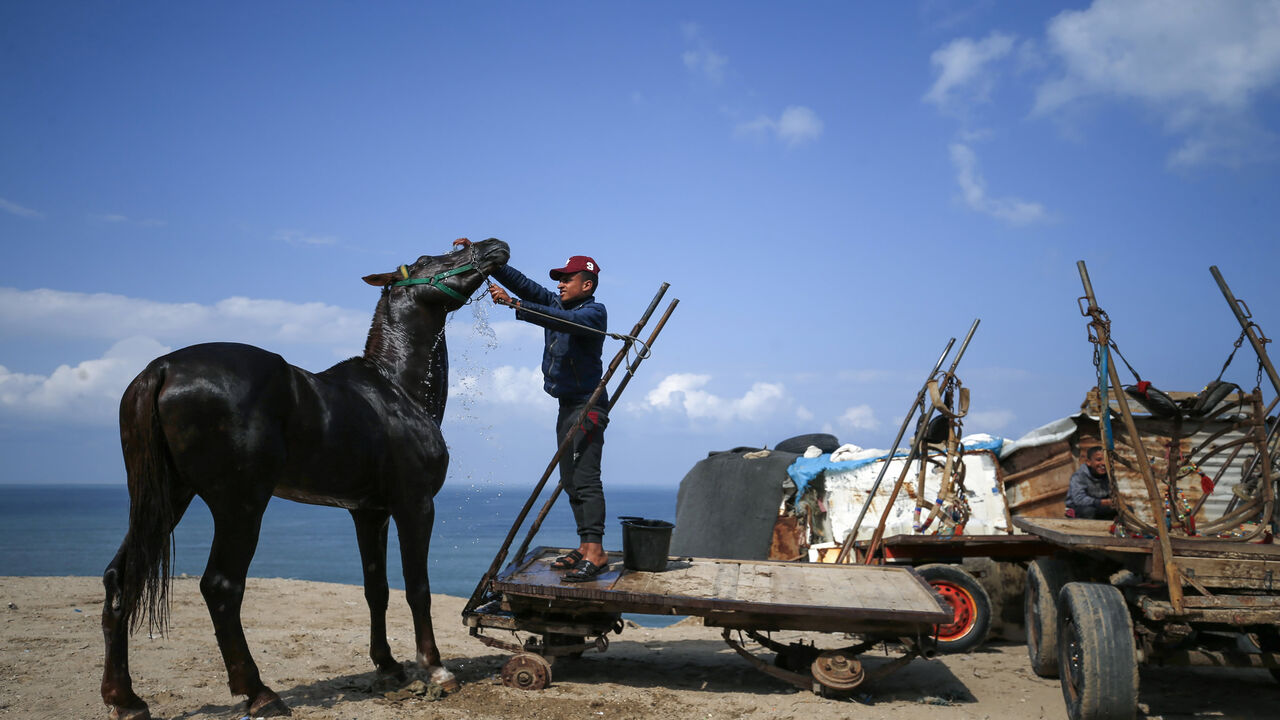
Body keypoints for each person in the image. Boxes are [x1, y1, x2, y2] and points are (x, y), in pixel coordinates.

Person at [453, 238, 610, 582]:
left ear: (587, 284)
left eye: (566, 279)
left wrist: (514, 305)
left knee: (585, 478)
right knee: (569, 480)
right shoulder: (558, 303)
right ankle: (585, 547)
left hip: (588, 405)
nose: (559, 284)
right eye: (559, 279)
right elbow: (527, 286)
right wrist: (490, 263)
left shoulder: (593, 313)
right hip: (567, 406)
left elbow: (563, 322)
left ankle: (596, 552)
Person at [1066, 445, 1116, 520]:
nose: (1103, 463)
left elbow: (1112, 494)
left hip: (1099, 507)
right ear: (1089, 462)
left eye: (1106, 460)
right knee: (1088, 512)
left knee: (1124, 510)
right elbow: (1078, 500)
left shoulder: (1108, 476)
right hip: (1080, 507)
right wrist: (1100, 502)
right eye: (1099, 460)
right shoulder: (1079, 476)